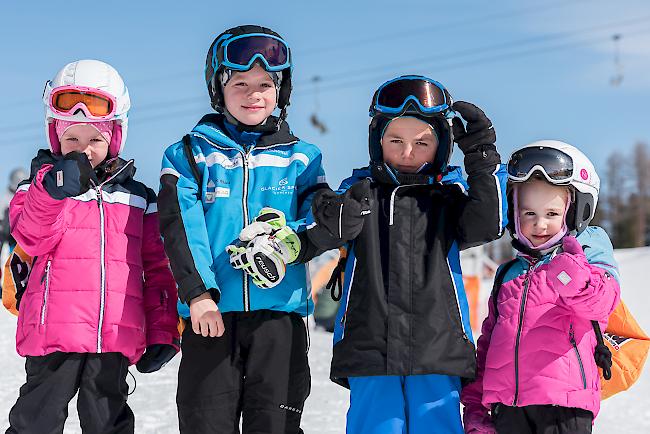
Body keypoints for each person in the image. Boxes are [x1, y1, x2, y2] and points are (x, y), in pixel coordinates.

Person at [282, 75, 507, 433]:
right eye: (395, 140)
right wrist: (333, 215)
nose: (407, 153)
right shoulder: (357, 193)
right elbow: (315, 230)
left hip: (438, 347)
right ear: (377, 141)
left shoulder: (451, 196)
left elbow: (489, 223)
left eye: (422, 143)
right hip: (371, 346)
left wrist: (481, 157)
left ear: (442, 145)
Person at [158, 25, 327, 434]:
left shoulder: (303, 157)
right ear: (218, 88)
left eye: (265, 84)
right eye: (240, 83)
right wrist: (198, 295)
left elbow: (316, 221)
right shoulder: (189, 155)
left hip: (280, 318)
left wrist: (301, 236)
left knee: (275, 425)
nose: (254, 94)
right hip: (211, 316)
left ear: (280, 92)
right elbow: (182, 229)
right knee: (206, 424)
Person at [6, 59, 179, 434]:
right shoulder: (37, 191)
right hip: (53, 335)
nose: (83, 150)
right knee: (36, 420)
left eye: (95, 139)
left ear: (114, 138)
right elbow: (30, 237)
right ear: (56, 138)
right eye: (72, 139)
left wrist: (164, 328)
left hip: (114, 335)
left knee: (108, 423)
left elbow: (157, 269)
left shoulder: (138, 199)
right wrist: (52, 191)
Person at [461, 140, 621, 434]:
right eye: (529, 213)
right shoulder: (507, 273)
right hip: (507, 410)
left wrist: (575, 276)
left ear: (573, 214)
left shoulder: (586, 256)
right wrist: (474, 404)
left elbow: (603, 303)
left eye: (551, 214)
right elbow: (488, 343)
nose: (539, 224)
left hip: (563, 409)